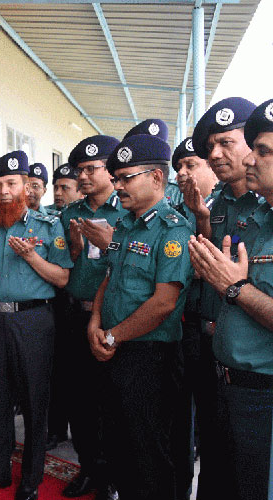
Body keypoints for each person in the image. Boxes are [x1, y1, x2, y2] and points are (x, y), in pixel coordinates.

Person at [89, 133, 193, 500]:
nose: (117, 187)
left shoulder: (173, 229)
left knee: (150, 451)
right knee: (119, 444)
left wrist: (113, 335)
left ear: (157, 178)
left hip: (150, 357)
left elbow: (165, 302)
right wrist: (94, 323)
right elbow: (109, 277)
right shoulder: (127, 224)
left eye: (125, 178)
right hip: (114, 347)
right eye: (115, 179)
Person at [0, 150, 73, 500]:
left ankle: (31, 478)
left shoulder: (47, 226)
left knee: (34, 401)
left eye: (10, 183)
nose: (3, 192)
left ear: (27, 186)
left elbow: (61, 278)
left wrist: (31, 256)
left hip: (33, 321)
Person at [188, 97, 273, 500]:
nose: (251, 160)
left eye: (263, 150)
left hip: (261, 385)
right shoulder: (256, 216)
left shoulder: (259, 210)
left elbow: (235, 285)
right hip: (224, 369)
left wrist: (235, 288)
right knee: (221, 475)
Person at [59, 135, 124, 500]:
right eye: (78, 170)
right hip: (74, 315)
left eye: (90, 169)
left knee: (111, 402)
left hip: (114, 320)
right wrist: (72, 248)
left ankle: (114, 474)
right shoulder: (70, 214)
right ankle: (89, 469)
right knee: (79, 401)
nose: (82, 176)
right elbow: (63, 266)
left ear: (109, 170)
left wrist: (111, 241)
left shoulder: (126, 209)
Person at [169, 136, 220, 500]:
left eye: (191, 165)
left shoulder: (228, 207)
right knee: (177, 423)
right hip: (181, 327)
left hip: (217, 334)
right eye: (179, 169)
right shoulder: (174, 213)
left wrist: (203, 221)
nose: (183, 174)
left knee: (215, 427)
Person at [46, 161, 84, 452]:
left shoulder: (86, 220)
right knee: (58, 371)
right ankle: (56, 428)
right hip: (58, 305)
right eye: (56, 187)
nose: (58, 193)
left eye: (65, 188)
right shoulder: (52, 220)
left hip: (86, 307)